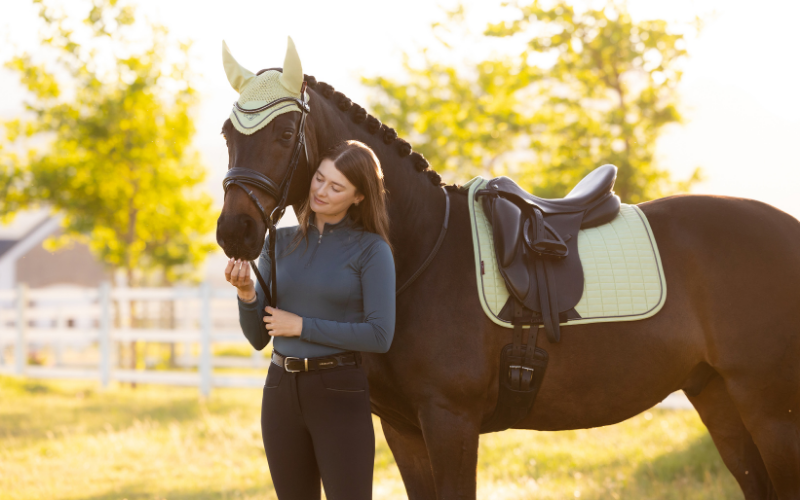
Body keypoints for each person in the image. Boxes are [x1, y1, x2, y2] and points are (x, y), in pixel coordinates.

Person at [224, 140, 396, 500]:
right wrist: (246, 296)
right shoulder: (277, 243)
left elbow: (380, 335)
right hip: (279, 393)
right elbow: (258, 337)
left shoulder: (371, 250)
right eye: (319, 179)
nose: (321, 191)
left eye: (336, 187)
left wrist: (302, 326)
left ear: (359, 197)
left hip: (339, 393)